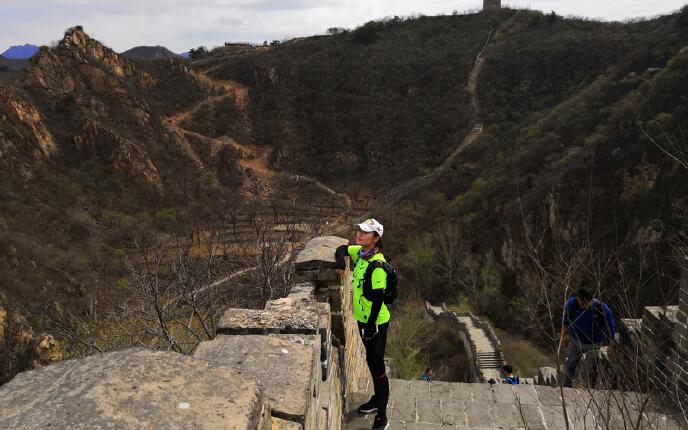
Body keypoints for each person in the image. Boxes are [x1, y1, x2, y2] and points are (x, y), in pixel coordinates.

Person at [334, 218, 391, 430]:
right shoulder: (361, 253)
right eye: (359, 230)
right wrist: (341, 264)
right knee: (371, 362)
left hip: (375, 323)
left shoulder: (377, 265)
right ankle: (377, 399)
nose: (359, 234)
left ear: (376, 238)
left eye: (365, 232)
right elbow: (341, 249)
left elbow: (378, 299)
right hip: (363, 320)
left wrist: (369, 326)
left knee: (378, 367)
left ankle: (382, 418)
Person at [560, 288, 616, 388]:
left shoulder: (602, 309)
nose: (582, 305)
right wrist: (563, 338)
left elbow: (611, 328)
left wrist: (611, 346)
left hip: (593, 344)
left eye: (585, 303)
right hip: (575, 341)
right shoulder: (572, 304)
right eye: (580, 302)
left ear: (592, 300)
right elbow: (565, 322)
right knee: (570, 365)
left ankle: (587, 390)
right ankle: (566, 388)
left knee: (589, 369)